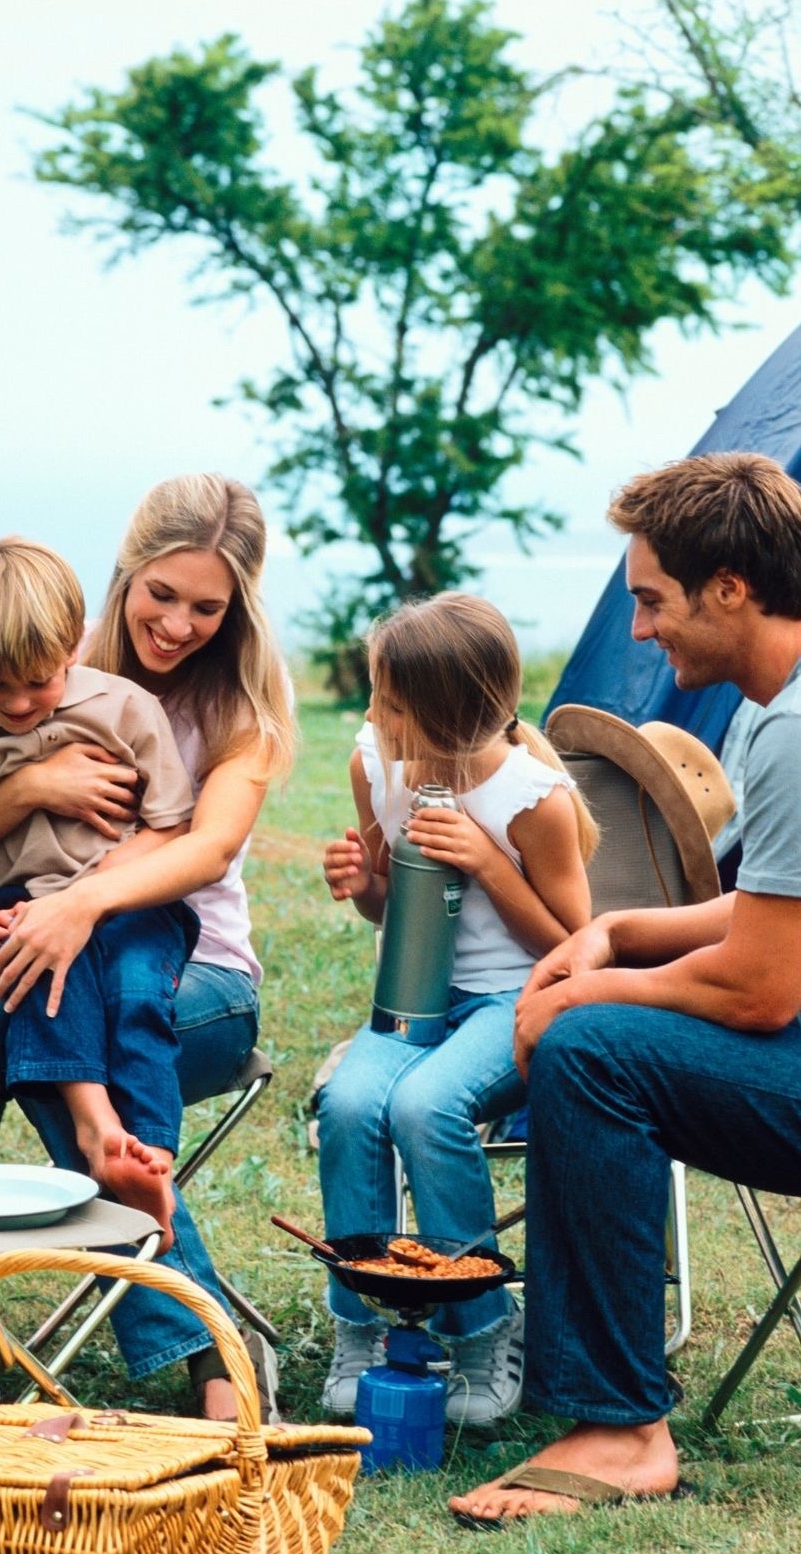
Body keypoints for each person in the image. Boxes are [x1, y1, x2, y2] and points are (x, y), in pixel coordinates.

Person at [449, 450, 801, 1529]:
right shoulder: (771, 702)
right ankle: (601, 1401)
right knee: (596, 1025)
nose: (640, 630)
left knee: (589, 1055)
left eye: (651, 601)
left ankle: (617, 1427)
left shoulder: (788, 727)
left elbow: (759, 989)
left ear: (728, 589)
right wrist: (616, 930)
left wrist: (589, 1000)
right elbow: (770, 915)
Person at [0, 475, 295, 1421]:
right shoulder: (40, 662)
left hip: (197, 974)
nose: (179, 623)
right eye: (162, 594)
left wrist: (83, 903)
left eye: (208, 606)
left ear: (238, 606)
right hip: (51, 954)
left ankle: (206, 1353)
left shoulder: (241, 710)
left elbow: (204, 844)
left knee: (55, 1036)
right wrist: (38, 783)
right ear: (124, 576)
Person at [317, 593, 597, 1425]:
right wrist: (364, 884)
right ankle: (361, 1323)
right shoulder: (378, 763)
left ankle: (480, 1329)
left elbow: (576, 946)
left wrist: (490, 863)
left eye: (390, 704)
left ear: (444, 715)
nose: (372, 715)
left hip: (517, 994)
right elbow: (389, 910)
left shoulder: (530, 797)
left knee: (428, 1104)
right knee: (350, 1102)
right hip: (414, 997)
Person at [0, 536, 200, 1243]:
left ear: (74, 645)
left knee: (133, 993)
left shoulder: (123, 708)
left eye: (40, 680)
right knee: (45, 978)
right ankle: (97, 1127)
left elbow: (171, 827)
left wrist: (93, 896)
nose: (21, 703)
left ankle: (149, 1150)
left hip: (133, 906)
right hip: (26, 903)